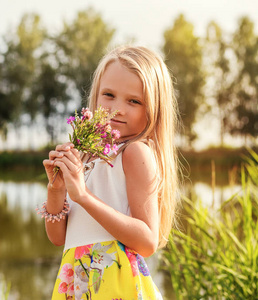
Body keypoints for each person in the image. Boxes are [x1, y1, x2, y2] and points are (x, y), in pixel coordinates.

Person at [40, 45, 179, 299]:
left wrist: (83, 195)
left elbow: (147, 241)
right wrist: (57, 189)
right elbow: (58, 237)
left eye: (134, 101)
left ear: (154, 109)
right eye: (109, 95)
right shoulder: (86, 155)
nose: (117, 109)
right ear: (96, 96)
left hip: (115, 283)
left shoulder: (134, 153)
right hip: (77, 280)